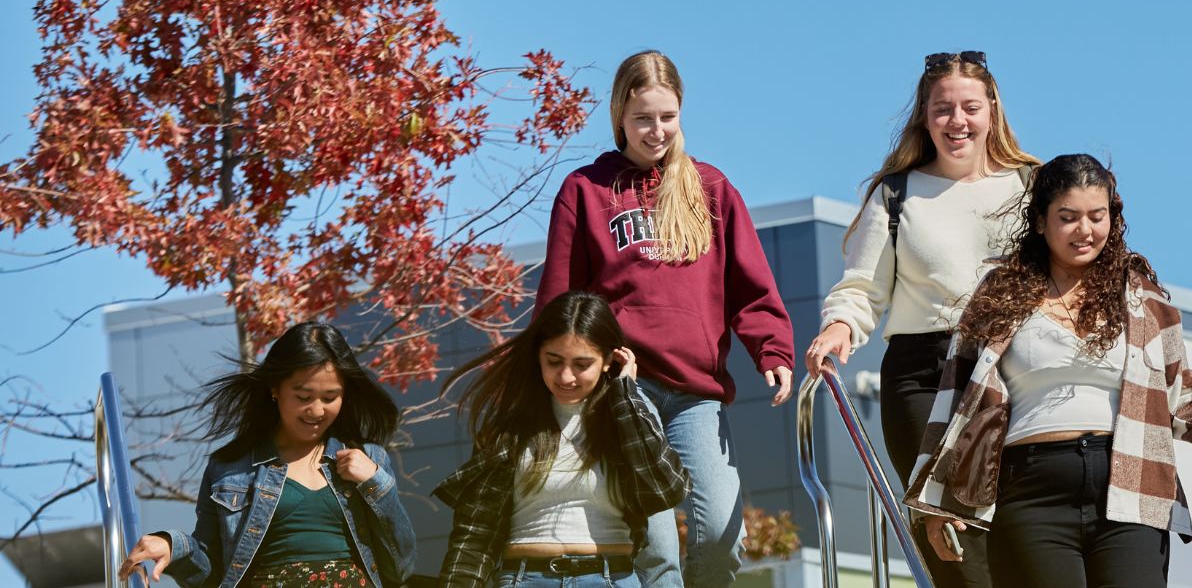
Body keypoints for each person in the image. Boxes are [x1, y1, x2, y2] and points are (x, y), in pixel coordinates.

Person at [904, 153, 1192, 588]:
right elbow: (955, 401)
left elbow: (1183, 390)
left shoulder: (1143, 299)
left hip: (1131, 487)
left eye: (1097, 216)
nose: (1085, 231)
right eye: (1068, 217)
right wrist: (933, 506)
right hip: (1030, 491)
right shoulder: (999, 293)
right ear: (1040, 221)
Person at [536, 50, 797, 588]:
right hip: (623, 387)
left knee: (723, 536)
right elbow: (560, 299)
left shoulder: (711, 188)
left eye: (667, 117)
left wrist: (771, 349)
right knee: (655, 550)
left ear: (681, 113)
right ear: (619, 119)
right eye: (642, 119)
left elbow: (750, 286)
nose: (655, 130)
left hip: (696, 393)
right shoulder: (586, 191)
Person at [803, 49, 1039, 587]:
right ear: (924, 116)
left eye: (970, 107)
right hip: (923, 374)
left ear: (992, 109)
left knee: (1022, 539)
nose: (957, 122)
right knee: (951, 544)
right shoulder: (894, 193)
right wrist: (839, 326)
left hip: (1016, 371)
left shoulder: (1032, 186)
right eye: (942, 109)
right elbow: (861, 287)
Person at [119, 323, 415, 588]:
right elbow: (211, 573)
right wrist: (174, 547)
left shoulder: (369, 459)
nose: (316, 410)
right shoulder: (230, 468)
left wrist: (375, 482)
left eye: (330, 398)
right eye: (303, 397)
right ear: (275, 389)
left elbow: (400, 568)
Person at [433, 291, 690, 588]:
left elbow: (665, 489)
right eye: (554, 361)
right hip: (523, 579)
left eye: (582, 364)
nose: (566, 377)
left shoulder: (626, 421)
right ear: (538, 356)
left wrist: (627, 396)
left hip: (612, 579)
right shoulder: (508, 429)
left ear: (610, 360)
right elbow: (474, 534)